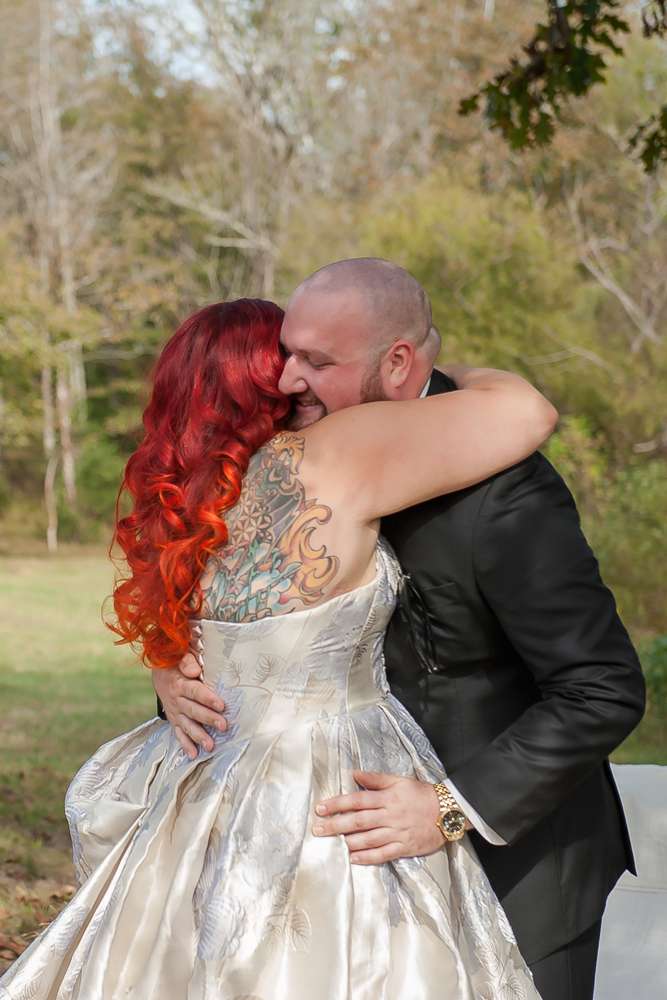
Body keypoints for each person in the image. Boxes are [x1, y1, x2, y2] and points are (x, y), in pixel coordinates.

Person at [0, 296, 556, 999]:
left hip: (203, 777)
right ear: (266, 378)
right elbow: (527, 410)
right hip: (327, 779)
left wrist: (167, 668)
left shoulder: (183, 496)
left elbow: (210, 639)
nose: (300, 375)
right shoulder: (338, 451)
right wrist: (434, 364)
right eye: (288, 359)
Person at [155, 259, 646, 1000]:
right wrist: (176, 671)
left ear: (396, 363)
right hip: (341, 879)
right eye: (287, 354)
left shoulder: (505, 488)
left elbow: (601, 688)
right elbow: (249, 616)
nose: (287, 380)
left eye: (317, 362)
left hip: (515, 863)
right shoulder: (283, 457)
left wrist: (450, 806)